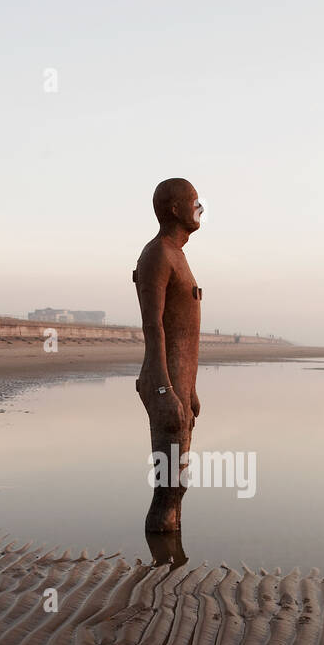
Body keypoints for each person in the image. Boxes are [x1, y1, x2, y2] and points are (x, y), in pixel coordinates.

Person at [133, 178, 203, 532]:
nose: (200, 208)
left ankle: (171, 558)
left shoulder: (179, 255)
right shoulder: (157, 254)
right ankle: (158, 573)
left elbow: (185, 335)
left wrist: (189, 391)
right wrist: (163, 390)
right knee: (168, 486)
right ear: (175, 209)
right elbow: (153, 326)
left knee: (178, 482)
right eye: (195, 202)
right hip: (164, 383)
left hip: (178, 385)